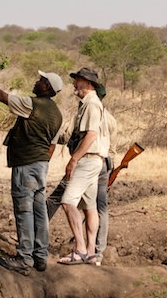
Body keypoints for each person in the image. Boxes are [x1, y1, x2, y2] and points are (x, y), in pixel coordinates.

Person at [0, 70, 63, 273]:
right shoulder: (57, 114)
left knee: (24, 210)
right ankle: (40, 256)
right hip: (41, 165)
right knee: (40, 211)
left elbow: (3, 97)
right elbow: (51, 147)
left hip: (26, 164)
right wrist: (41, 162)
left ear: (47, 87)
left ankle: (24, 258)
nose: (37, 82)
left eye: (41, 81)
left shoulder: (31, 104)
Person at [53, 67, 111, 265]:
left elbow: (91, 134)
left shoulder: (91, 104)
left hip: (88, 159)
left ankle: (79, 250)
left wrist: (74, 159)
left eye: (76, 81)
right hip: (95, 160)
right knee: (89, 206)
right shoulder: (90, 103)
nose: (74, 85)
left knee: (68, 202)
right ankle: (92, 252)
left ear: (86, 83)